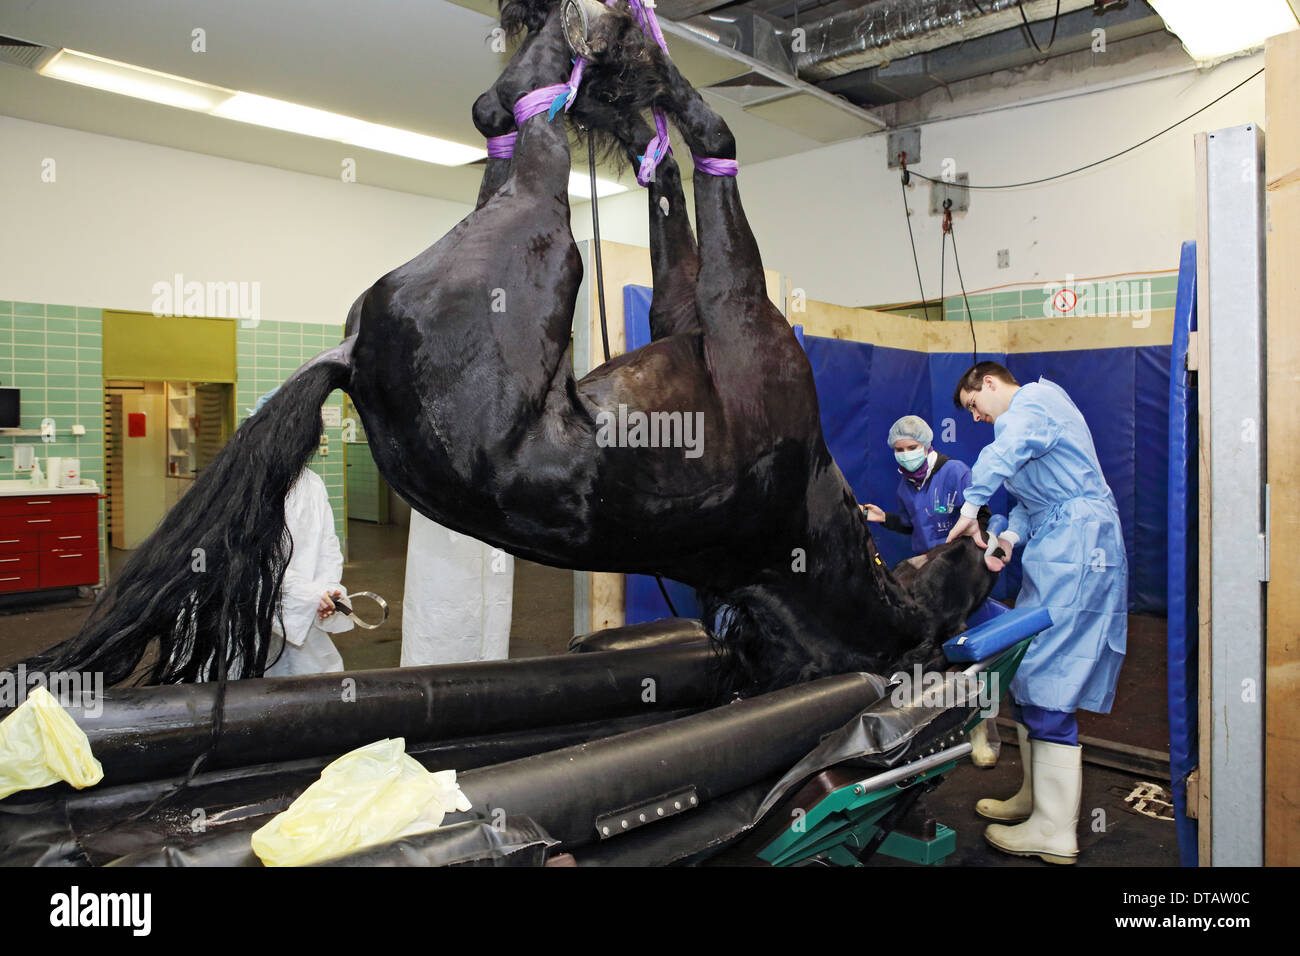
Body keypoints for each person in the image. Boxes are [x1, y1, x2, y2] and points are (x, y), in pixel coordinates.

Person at [946, 362, 1127, 865]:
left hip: (1077, 551)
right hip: (1059, 546)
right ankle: (1036, 799)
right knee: (1028, 667)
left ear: (988, 383)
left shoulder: (1032, 406)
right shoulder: (1033, 423)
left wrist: (971, 507)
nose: (976, 417)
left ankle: (1053, 829)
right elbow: (1028, 503)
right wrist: (1006, 538)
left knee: (1050, 676)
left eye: (972, 405)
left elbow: (1001, 453)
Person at [860, 414, 999, 768]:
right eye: (899, 449)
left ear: (928, 445)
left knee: (972, 659)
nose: (905, 454)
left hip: (960, 580)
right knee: (931, 657)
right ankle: (932, 728)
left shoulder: (955, 472)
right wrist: (884, 519)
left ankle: (981, 733)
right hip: (928, 588)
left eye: (912, 447)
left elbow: (980, 519)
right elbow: (911, 525)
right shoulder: (905, 486)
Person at [251, 389, 352, 677]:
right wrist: (308, 595)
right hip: (251, 621)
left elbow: (327, 546)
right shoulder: (248, 484)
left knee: (314, 689)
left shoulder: (312, 483)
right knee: (250, 700)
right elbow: (253, 563)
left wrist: (329, 590)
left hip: (302, 613)